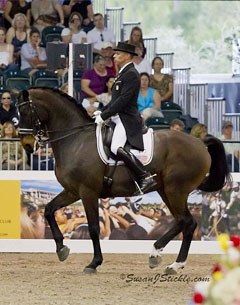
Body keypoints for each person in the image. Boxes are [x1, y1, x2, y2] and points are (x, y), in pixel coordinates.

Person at [93, 42, 157, 195]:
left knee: (116, 147)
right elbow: (115, 101)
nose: (114, 56)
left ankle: (144, 177)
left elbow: (123, 101)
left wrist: (104, 115)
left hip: (126, 118)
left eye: (118, 54)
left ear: (128, 56)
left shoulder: (131, 74)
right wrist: (102, 112)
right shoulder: (123, 73)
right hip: (117, 116)